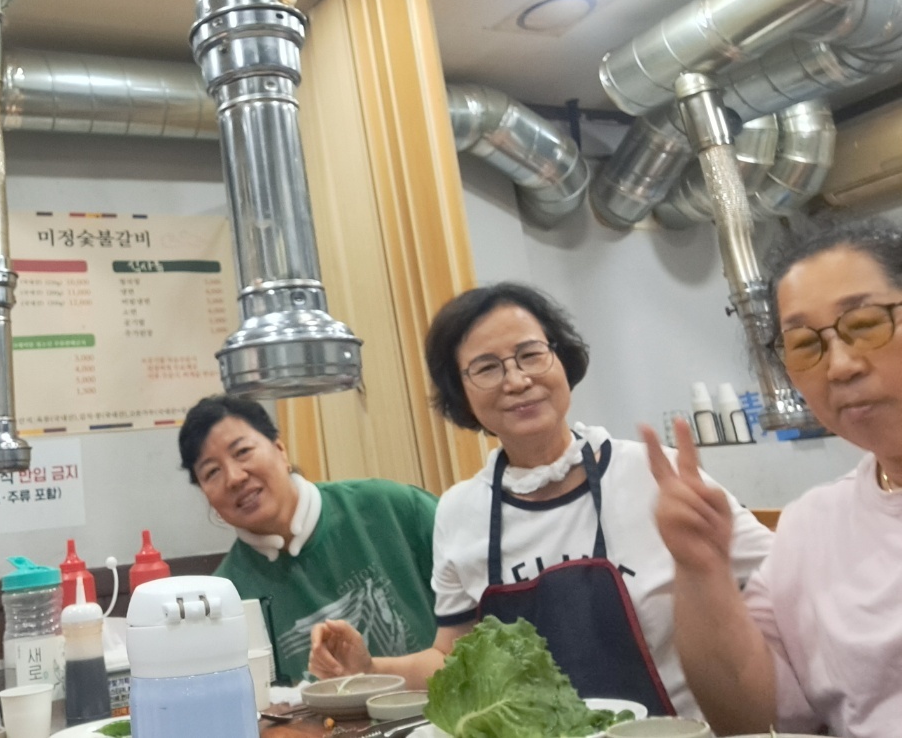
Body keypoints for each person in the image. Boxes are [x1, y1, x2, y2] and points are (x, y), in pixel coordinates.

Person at [309, 282, 774, 716]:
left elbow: (779, 579)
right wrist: (371, 669)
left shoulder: (654, 476)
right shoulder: (459, 512)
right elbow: (452, 660)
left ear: (562, 360)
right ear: (461, 393)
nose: (516, 381)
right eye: (487, 368)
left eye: (530, 355)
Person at [648, 217, 902, 737]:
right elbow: (750, 716)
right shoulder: (810, 528)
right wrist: (701, 571)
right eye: (805, 345)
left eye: (866, 324)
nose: (840, 366)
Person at [179, 394, 439, 684]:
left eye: (242, 452)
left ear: (281, 450)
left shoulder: (392, 507)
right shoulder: (225, 598)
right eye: (212, 472)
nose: (234, 477)